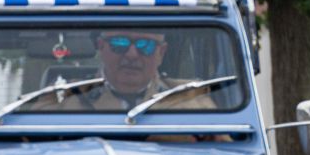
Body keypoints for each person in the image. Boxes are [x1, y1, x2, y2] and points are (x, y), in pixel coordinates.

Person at [53, 30, 217, 113]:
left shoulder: (191, 101)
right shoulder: (63, 101)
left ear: (161, 53)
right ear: (101, 47)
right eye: (119, 43)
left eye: (145, 46)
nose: (132, 55)